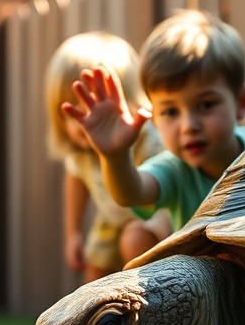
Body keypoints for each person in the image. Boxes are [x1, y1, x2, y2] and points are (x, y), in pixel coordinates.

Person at [62, 10, 245, 233]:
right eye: (171, 112)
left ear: (241, 102)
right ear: (154, 117)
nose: (188, 126)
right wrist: (114, 156)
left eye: (205, 105)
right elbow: (131, 192)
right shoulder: (174, 170)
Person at [46, 32, 172, 282]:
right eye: (75, 113)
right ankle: (94, 317)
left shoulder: (147, 140)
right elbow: (76, 182)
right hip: (110, 219)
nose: (89, 123)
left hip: (153, 218)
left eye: (99, 111)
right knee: (94, 269)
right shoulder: (81, 152)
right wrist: (73, 233)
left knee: (134, 243)